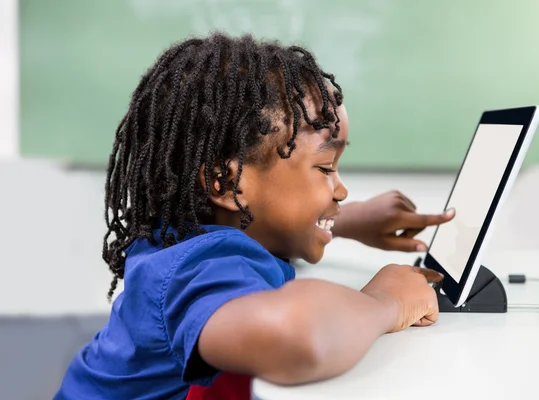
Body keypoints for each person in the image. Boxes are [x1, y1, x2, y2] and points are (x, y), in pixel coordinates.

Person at [54, 33, 454, 400]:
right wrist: (385, 302)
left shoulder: (186, 234)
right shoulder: (199, 269)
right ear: (224, 182)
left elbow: (261, 222)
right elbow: (298, 339)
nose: (341, 190)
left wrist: (345, 220)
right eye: (325, 167)